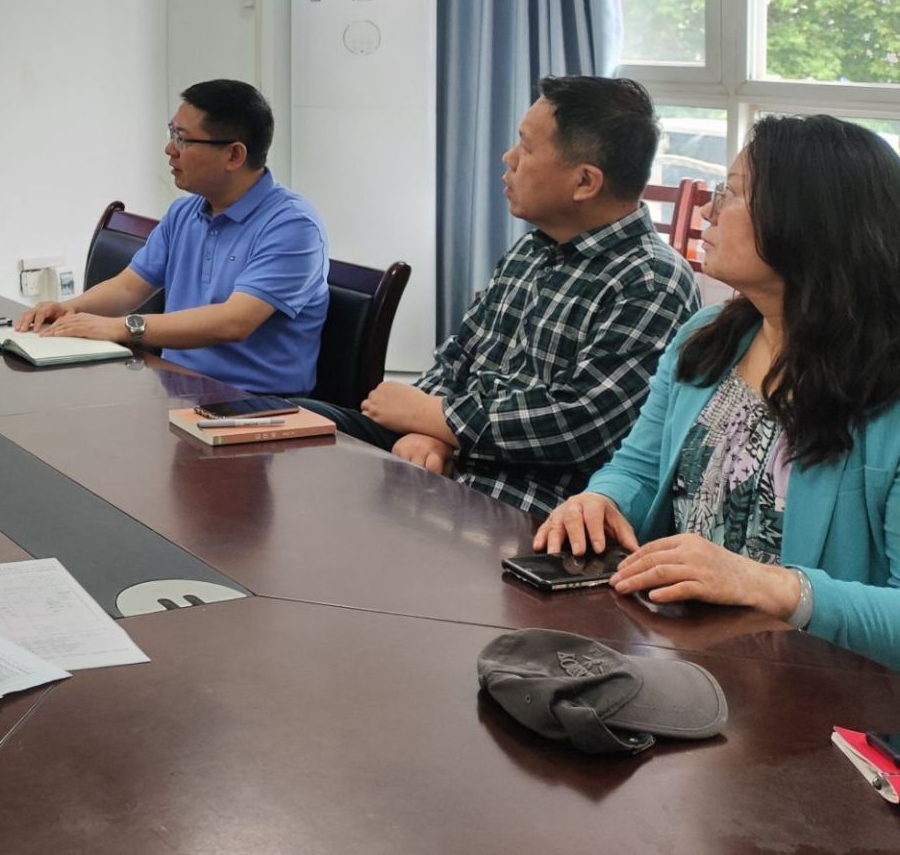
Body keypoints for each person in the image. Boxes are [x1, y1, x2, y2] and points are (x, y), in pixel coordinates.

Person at [535, 115, 900, 670]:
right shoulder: (707, 338)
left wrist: (768, 585)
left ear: (808, 218)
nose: (708, 210)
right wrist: (601, 501)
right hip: (688, 660)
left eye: (731, 193)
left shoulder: (885, 386)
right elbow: (638, 468)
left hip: (817, 690)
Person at [304, 76, 701, 518]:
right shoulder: (532, 249)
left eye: (526, 148)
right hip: (453, 458)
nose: (508, 158)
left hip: (523, 497)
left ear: (585, 182)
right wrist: (427, 432)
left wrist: (437, 418)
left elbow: (575, 425)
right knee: (293, 425)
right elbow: (459, 357)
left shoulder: (650, 281)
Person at [16, 80, 330, 395]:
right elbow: (128, 288)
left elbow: (234, 322)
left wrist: (119, 328)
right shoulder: (184, 213)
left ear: (234, 155)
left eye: (182, 139)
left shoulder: (294, 226)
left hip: (257, 404)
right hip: (177, 388)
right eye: (172, 133)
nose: (170, 149)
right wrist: (69, 309)